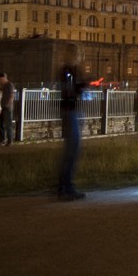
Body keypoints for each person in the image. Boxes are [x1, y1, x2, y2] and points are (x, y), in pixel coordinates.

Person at [57, 44, 87, 201]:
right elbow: (69, 91)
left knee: (72, 151)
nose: (81, 56)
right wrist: (80, 88)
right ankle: (65, 188)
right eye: (80, 53)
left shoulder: (68, 70)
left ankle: (67, 186)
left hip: (71, 111)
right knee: (71, 152)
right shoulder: (68, 70)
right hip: (69, 112)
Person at [0, 72, 15, 146]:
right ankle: (2, 139)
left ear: (3, 78)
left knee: (8, 124)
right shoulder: (3, 86)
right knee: (1, 124)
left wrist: (7, 105)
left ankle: (10, 141)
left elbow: (11, 96)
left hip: (7, 108)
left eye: (0, 79)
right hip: (2, 107)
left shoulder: (9, 85)